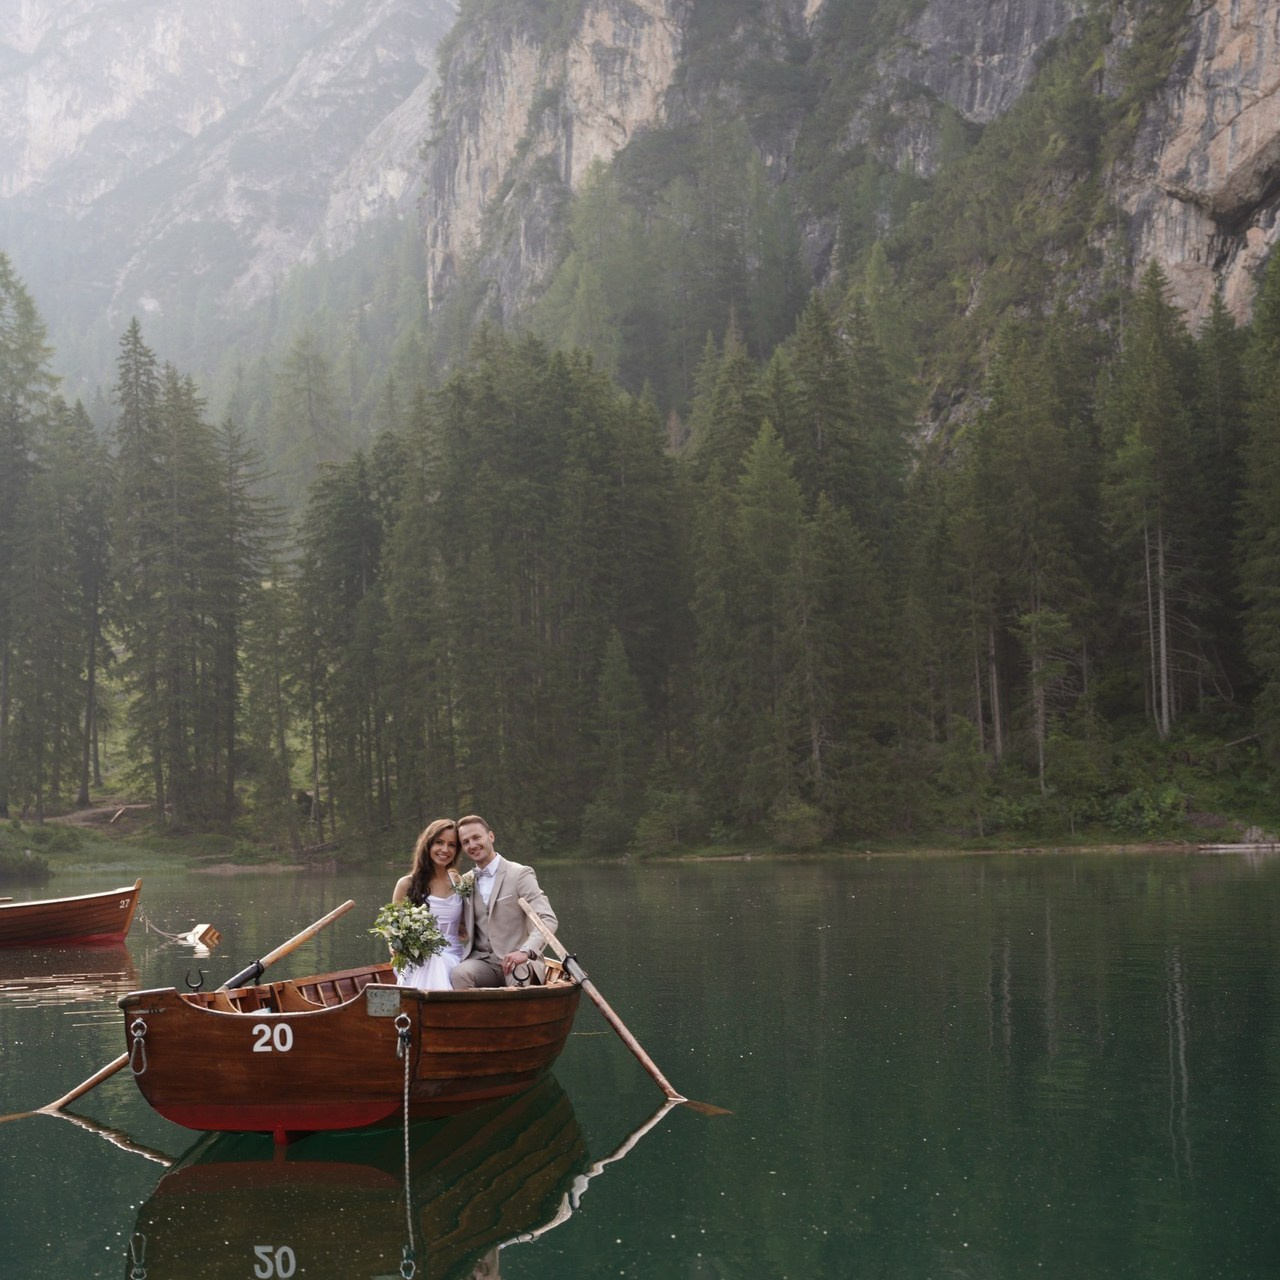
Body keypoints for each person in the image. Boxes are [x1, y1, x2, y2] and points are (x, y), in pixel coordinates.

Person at [450, 813, 557, 989]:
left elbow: (547, 919)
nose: (472, 845)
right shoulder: (466, 881)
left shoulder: (520, 874)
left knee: (518, 973)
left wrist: (525, 951)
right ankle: (472, 1016)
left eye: (476, 837)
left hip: (519, 962)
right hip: (483, 962)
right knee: (459, 973)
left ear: (491, 836)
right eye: (466, 842)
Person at [391, 818, 468, 990]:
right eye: (439, 843)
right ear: (427, 845)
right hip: (418, 957)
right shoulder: (406, 884)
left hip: (454, 955)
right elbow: (394, 931)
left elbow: (467, 928)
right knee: (433, 960)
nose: (445, 850)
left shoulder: (459, 882)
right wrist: (396, 946)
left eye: (452, 845)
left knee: (439, 960)